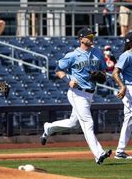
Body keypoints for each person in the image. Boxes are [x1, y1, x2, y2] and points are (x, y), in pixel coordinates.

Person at [40, 27, 112, 165]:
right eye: (89, 36)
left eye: (92, 36)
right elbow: (58, 70)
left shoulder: (97, 52)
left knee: (73, 123)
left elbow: (104, 72)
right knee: (88, 123)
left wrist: (102, 76)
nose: (92, 38)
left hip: (90, 93)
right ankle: (99, 154)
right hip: (77, 93)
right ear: (81, 39)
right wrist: (68, 80)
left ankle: (48, 128)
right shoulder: (73, 55)